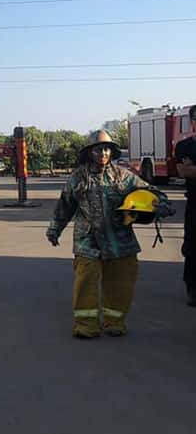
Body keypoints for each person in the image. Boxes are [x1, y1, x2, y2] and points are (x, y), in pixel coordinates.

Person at [46, 130, 150, 338]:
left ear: (111, 152)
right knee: (86, 282)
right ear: (89, 153)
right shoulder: (78, 178)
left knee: (121, 283)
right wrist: (55, 229)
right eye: (98, 149)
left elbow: (152, 194)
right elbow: (65, 205)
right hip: (88, 241)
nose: (103, 153)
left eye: (107, 149)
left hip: (120, 240)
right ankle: (86, 325)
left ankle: (115, 322)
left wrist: (157, 207)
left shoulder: (125, 177)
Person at [174, 104, 196, 306]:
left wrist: (193, 167)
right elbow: (183, 172)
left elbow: (191, 170)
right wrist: (189, 169)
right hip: (195, 204)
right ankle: (192, 287)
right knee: (192, 246)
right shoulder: (183, 146)